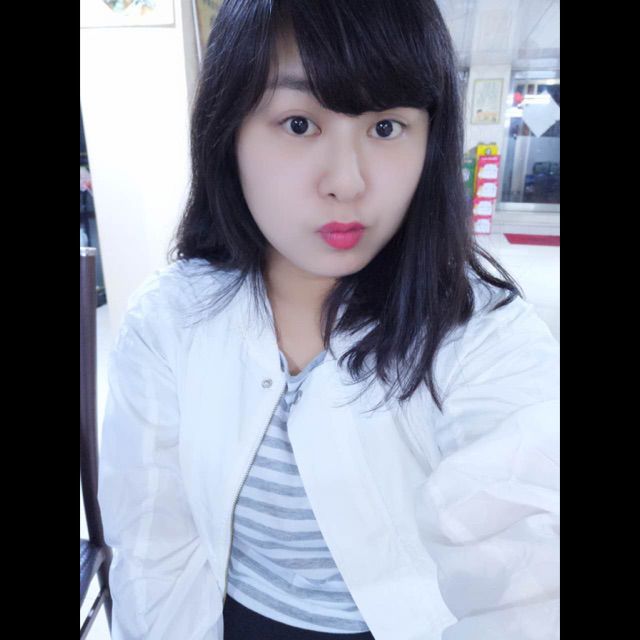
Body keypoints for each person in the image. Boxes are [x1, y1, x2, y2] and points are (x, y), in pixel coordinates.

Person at [97, 1, 560, 639]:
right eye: (298, 123)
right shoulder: (169, 317)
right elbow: (152, 545)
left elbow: (531, 571)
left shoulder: (482, 334)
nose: (347, 182)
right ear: (227, 132)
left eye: (387, 127)